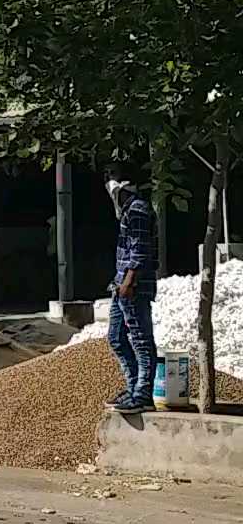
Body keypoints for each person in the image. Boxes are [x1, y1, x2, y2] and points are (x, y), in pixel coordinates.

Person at [104, 162, 159, 413]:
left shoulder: (137, 210)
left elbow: (140, 251)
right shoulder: (128, 210)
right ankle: (133, 387)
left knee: (140, 339)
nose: (108, 182)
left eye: (111, 177)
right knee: (116, 337)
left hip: (133, 287)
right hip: (121, 285)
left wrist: (128, 282)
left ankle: (142, 394)